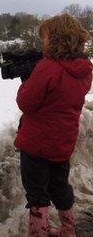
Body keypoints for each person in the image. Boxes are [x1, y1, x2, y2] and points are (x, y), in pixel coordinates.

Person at [15, 14, 93, 237]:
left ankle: (38, 232)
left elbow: (26, 103)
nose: (43, 43)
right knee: (60, 187)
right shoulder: (84, 70)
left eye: (46, 38)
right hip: (62, 144)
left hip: (36, 144)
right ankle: (69, 230)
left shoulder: (47, 68)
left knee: (37, 193)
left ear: (57, 40)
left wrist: (28, 80)